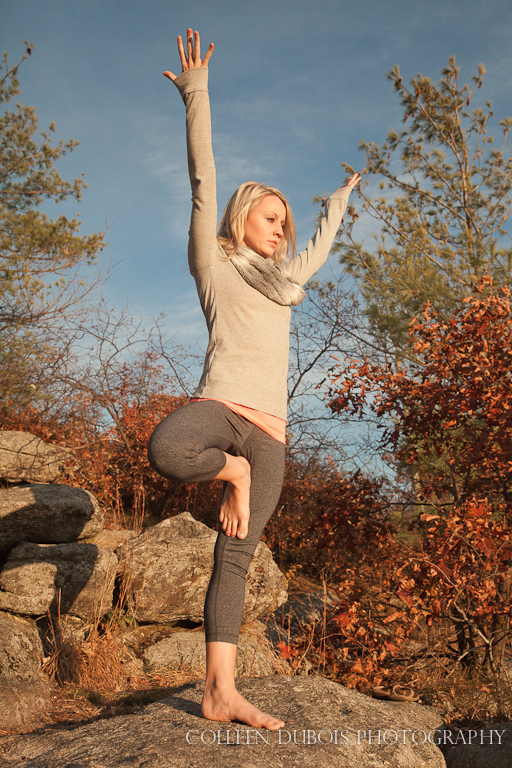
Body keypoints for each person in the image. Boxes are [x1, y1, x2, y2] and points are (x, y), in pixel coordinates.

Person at [148, 28, 360, 730]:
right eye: (271, 219)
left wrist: (336, 203)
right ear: (242, 219)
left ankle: (220, 690)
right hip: (222, 414)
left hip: (272, 433)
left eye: (285, 223)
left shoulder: (285, 282)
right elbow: (204, 176)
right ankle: (230, 471)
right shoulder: (214, 264)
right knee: (168, 448)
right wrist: (196, 95)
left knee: (235, 558)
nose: (280, 230)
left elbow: (319, 250)